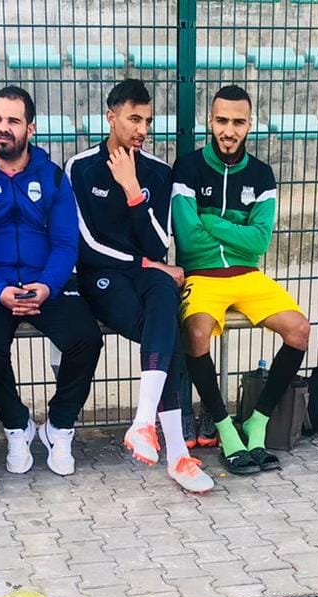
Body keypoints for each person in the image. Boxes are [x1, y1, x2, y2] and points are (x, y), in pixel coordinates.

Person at [66, 79, 213, 493]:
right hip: (102, 278)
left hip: (147, 275)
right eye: (134, 119)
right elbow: (86, 246)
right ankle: (177, 454)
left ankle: (146, 424)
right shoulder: (80, 168)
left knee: (164, 295)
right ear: (110, 117)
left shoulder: (157, 173)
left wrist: (133, 190)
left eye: (147, 120)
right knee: (167, 331)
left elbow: (157, 242)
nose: (142, 129)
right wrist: (145, 263)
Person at [0, 85, 103, 476]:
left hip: (46, 284)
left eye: (13, 121)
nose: (2, 128)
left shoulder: (52, 177)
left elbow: (65, 242)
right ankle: (17, 424)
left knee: (87, 339)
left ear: (30, 128)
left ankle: (59, 425)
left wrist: (48, 286)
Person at [172, 84, 309, 475]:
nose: (228, 131)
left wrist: (211, 221)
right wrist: (235, 232)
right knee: (196, 332)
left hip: (248, 274)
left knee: (299, 329)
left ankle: (257, 422)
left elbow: (259, 242)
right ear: (209, 121)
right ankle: (225, 428)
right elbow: (188, 239)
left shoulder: (262, 175)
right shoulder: (188, 168)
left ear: (250, 125)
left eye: (237, 122)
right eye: (221, 121)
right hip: (202, 275)